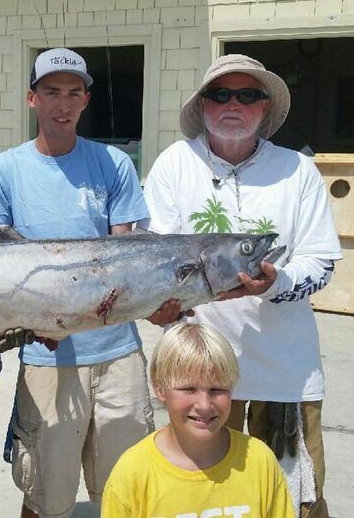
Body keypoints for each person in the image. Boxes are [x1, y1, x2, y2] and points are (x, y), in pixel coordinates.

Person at [141, 54, 343, 518]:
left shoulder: (298, 170)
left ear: (265, 108)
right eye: (221, 94)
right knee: (206, 492)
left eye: (248, 95)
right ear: (204, 105)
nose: (234, 104)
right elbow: (154, 257)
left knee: (296, 496)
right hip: (201, 369)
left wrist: (276, 283)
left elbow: (323, 263)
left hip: (285, 369)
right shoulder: (175, 163)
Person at [0, 47, 158, 518]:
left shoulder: (113, 164)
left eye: (73, 92)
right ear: (32, 98)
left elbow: (127, 258)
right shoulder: (3, 171)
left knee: (126, 493)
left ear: (85, 100)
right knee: (45, 496)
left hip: (119, 354)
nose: (63, 103)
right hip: (45, 356)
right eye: (51, 91)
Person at [101, 323, 294, 518]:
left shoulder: (259, 461)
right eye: (189, 389)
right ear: (159, 388)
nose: (204, 405)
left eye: (217, 390)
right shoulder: (133, 473)